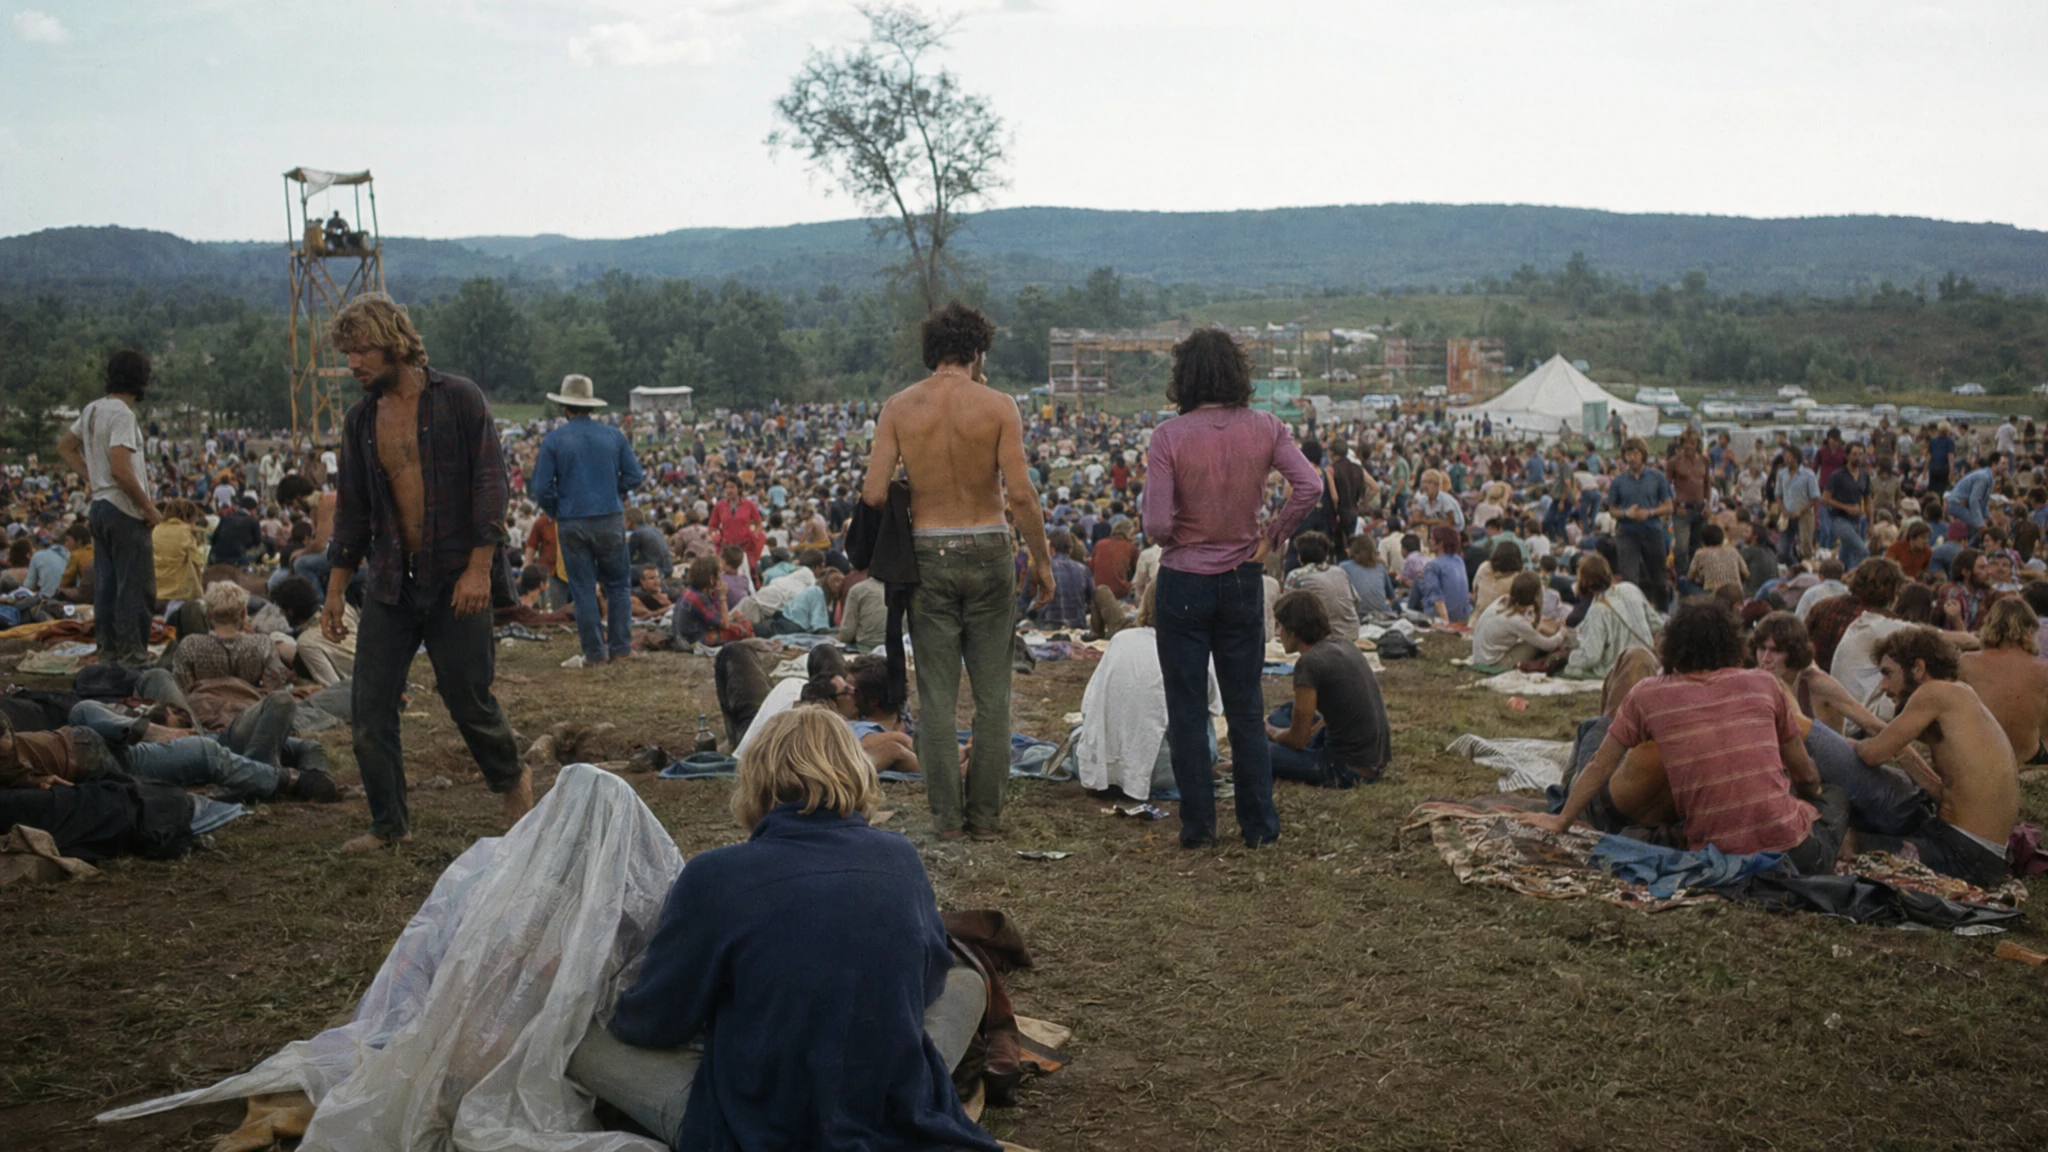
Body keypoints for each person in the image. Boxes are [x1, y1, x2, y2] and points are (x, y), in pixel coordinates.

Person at [581, 707, 998, 1151]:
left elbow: (655, 1022)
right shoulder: (899, 856)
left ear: (756, 779)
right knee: (966, 983)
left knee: (580, 1040)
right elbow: (929, 981)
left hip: (761, 1126)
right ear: (858, 772)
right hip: (891, 1102)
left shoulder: (714, 875)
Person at [322, 294, 529, 853]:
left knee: (467, 695)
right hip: (391, 579)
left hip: (456, 573)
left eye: (362, 349)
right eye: (347, 353)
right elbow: (353, 509)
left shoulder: (459, 399)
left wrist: (479, 570)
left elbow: (491, 485)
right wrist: (336, 590)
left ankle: (512, 782)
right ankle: (389, 824)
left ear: (394, 341)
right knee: (369, 707)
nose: (354, 364)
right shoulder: (361, 421)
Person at [862, 301, 1054, 841]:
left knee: (938, 698)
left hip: (927, 551)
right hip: (990, 545)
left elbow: (874, 492)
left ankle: (946, 820)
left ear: (931, 352)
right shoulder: (998, 406)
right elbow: (1020, 493)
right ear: (978, 350)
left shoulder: (899, 407)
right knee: (995, 698)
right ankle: (987, 818)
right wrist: (1041, 561)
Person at [1142, 327, 1321, 849]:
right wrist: (1275, 532)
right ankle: (1260, 826)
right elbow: (1308, 485)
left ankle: (1199, 827)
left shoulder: (1169, 438)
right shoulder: (1265, 426)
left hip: (1184, 580)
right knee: (1245, 706)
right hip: (1244, 575)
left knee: (1187, 706)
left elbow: (1154, 526)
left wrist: (1184, 533)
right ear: (1238, 375)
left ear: (1184, 378)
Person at [1526, 597, 1850, 874]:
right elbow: (1805, 774)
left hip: (1715, 852)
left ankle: (1574, 799)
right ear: (1733, 644)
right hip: (1794, 855)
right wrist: (1810, 798)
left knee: (1592, 729)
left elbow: (1598, 765)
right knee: (1836, 796)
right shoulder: (1765, 685)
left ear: (1673, 644)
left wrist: (1562, 820)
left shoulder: (1648, 694)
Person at [1856, 627, 2022, 888]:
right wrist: (1904, 755)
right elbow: (1944, 793)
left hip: (1965, 857)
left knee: (1848, 843)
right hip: (1986, 856)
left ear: (1918, 668)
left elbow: (1871, 755)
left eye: (1888, 673)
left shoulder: (1932, 693)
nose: (1884, 686)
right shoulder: (1959, 693)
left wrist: (1844, 742)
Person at [528, 374, 644, 668]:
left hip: (571, 520)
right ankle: (620, 648)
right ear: (591, 407)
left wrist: (557, 509)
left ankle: (594, 654)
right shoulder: (614, 435)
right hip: (610, 518)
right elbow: (635, 476)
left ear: (565, 408)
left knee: (581, 587)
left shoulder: (555, 439)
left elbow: (541, 488)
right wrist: (612, 492)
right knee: (617, 585)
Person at [56, 348, 162, 667]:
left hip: (100, 506)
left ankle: (109, 652)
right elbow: (120, 467)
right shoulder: (122, 415)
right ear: (140, 381)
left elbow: (65, 446)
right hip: (124, 509)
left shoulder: (92, 409)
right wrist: (149, 507)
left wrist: (91, 475)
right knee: (136, 587)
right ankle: (134, 656)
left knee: (107, 586)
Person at [1265, 590, 1390, 788]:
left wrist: (1272, 732)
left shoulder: (1309, 663)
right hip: (1372, 759)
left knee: (1256, 750)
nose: (1277, 634)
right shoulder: (1342, 644)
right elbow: (1341, 709)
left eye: (1281, 627)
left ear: (1295, 630)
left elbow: (1298, 740)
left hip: (1346, 769)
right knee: (1289, 710)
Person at [1959, 597, 2048, 765]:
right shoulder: (2044, 671)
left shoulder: (1967, 663)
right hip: (2028, 758)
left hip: (1981, 757)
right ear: (2030, 630)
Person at [1561, 553, 1664, 681]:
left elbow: (1591, 657)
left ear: (1584, 580)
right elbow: (1658, 625)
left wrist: (1571, 657)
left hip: (1619, 671)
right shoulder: (1630, 588)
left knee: (1571, 669)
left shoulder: (1597, 610)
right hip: (1648, 662)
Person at [1607, 438, 1674, 610]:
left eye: (1635, 453)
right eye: (1628, 454)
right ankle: (1633, 617)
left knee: (1659, 580)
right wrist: (1626, 513)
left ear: (1643, 455)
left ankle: (1663, 615)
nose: (1632, 458)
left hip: (1652, 532)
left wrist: (1650, 512)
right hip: (1627, 534)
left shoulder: (1657, 477)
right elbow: (1612, 509)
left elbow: (1668, 506)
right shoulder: (1618, 481)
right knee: (1629, 581)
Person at [1470, 572, 1566, 671]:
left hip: (1481, 656)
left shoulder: (1503, 599)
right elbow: (1548, 645)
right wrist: (1561, 634)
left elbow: (1532, 623)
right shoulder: (1516, 621)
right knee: (1533, 643)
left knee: (1535, 633)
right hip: (1494, 662)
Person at [1282, 531, 1361, 645]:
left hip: (1323, 638)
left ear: (1299, 556)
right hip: (1352, 633)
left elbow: (1285, 612)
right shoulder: (1339, 571)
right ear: (1326, 555)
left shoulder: (1296, 576)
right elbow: (1356, 601)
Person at [1820, 442, 1872, 567]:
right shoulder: (1837, 475)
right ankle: (1857, 579)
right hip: (1839, 520)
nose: (1858, 458)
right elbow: (1825, 499)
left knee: (1845, 556)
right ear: (1847, 456)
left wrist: (1871, 524)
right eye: (1854, 454)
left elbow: (1869, 501)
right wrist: (1845, 507)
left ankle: (1841, 578)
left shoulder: (1864, 475)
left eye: (1860, 454)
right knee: (1863, 552)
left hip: (1857, 521)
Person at [1410, 525, 1473, 625]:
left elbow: (1437, 598)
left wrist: (1446, 623)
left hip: (1442, 615)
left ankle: (1409, 612)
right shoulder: (1458, 560)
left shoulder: (1432, 566)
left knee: (1418, 580)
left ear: (1440, 544)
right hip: (1462, 614)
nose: (1429, 541)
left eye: (1431, 539)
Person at [1339, 533, 1395, 618]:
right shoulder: (1380, 567)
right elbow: (1391, 596)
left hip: (1357, 615)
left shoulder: (1344, 567)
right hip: (1382, 614)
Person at [1685, 522, 1746, 594]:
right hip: (1736, 594)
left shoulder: (1700, 553)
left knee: (1682, 581)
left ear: (1703, 541)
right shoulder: (1733, 551)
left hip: (1714, 595)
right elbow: (1746, 573)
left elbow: (1690, 577)